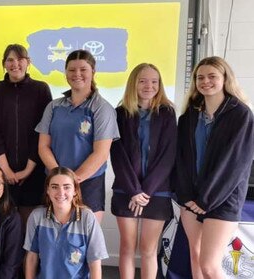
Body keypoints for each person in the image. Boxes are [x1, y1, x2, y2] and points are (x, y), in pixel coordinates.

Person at [175, 56, 254, 278]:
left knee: (209, 265)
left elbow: (236, 165)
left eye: (212, 76)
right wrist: (187, 196)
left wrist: (206, 200)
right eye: (200, 77)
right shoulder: (189, 117)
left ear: (225, 79)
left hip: (222, 200)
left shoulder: (241, 114)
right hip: (191, 199)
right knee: (195, 256)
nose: (205, 81)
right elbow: (181, 160)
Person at [36, 49, 119, 223]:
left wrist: (72, 182)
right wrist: (59, 179)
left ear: (93, 72)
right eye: (72, 70)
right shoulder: (54, 106)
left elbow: (101, 153)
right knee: (53, 237)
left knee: (85, 241)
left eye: (83, 69)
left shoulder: (102, 108)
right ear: (66, 73)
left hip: (88, 184)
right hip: (55, 182)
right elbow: (43, 146)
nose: (77, 74)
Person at [110, 63, 176, 279]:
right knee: (127, 247)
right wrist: (134, 191)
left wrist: (145, 192)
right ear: (133, 84)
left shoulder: (167, 113)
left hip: (156, 192)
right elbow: (118, 155)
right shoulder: (119, 113)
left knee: (148, 250)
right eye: (143, 81)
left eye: (154, 81)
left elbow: (168, 156)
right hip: (126, 191)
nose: (149, 86)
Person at [0, 44, 52, 229]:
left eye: (20, 59)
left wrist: (27, 170)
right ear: (4, 64)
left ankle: (28, 260)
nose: (15, 64)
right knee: (1, 223)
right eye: (10, 60)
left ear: (28, 62)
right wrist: (5, 170)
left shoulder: (41, 89)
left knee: (29, 226)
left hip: (33, 170)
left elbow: (42, 132)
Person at [24, 167, 108, 279]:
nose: (61, 192)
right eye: (54, 187)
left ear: (75, 191)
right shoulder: (36, 216)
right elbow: (32, 257)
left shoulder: (87, 217)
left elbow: (95, 262)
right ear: (48, 190)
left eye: (66, 187)